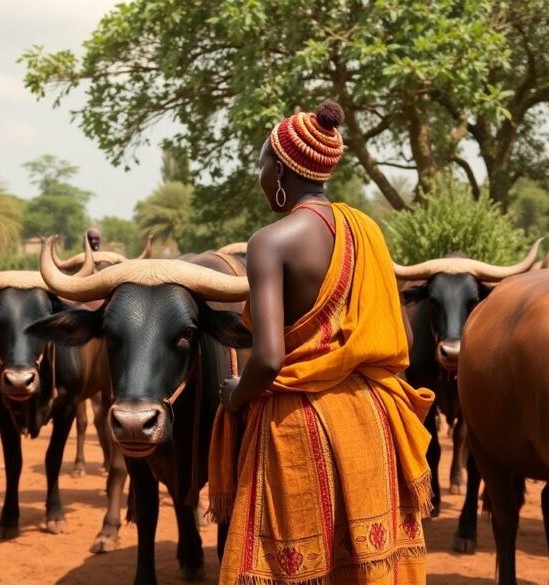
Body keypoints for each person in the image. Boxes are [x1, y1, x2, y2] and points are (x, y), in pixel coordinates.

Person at [209, 101, 434, 584]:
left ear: (283, 169)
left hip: (297, 424)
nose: (260, 174)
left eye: (262, 162)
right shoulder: (368, 231)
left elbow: (268, 358)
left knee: (288, 567)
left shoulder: (270, 242)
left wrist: (236, 394)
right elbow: (405, 334)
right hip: (371, 420)